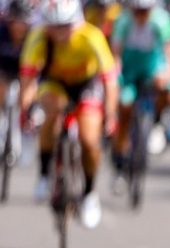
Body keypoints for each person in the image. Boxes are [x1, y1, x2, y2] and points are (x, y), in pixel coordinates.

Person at [19, 0, 117, 228]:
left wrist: (110, 115)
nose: (61, 33)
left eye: (66, 26)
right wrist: (26, 110)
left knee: (90, 141)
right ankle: (44, 173)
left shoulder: (91, 37)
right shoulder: (38, 37)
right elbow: (27, 80)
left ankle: (90, 193)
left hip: (86, 84)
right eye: (55, 27)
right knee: (50, 112)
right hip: (54, 83)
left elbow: (110, 81)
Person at [109, 0, 170, 177]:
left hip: (152, 68)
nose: (141, 16)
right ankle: (120, 150)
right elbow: (115, 53)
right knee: (125, 105)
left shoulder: (161, 21)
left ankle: (156, 122)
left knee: (168, 89)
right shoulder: (123, 21)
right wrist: (114, 75)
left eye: (145, 11)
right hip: (129, 71)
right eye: (137, 11)